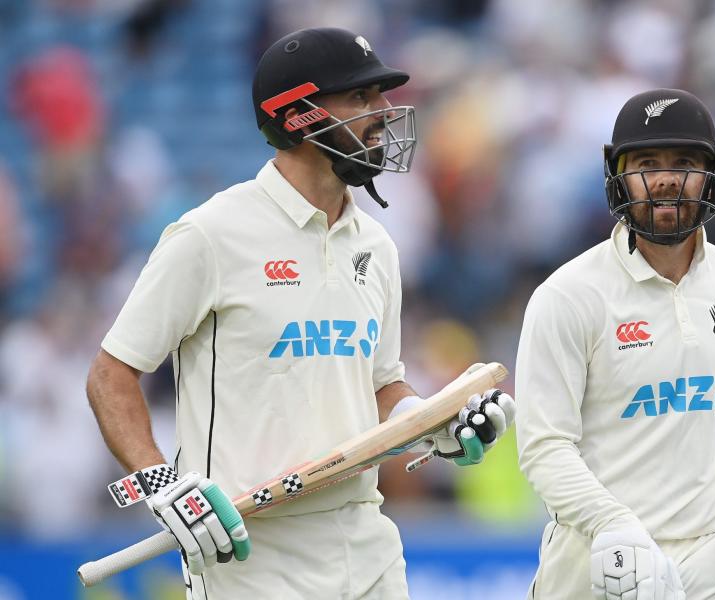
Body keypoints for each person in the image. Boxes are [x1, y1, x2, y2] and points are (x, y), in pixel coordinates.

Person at [86, 27, 514, 600]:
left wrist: (438, 426)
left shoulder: (376, 246)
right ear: (298, 117)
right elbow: (111, 376)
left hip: (367, 543)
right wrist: (163, 486)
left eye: (381, 98)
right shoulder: (211, 235)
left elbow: (381, 385)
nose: (382, 113)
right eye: (360, 98)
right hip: (248, 554)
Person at [514, 89, 715, 600]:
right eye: (647, 163)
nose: (667, 178)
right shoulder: (568, 295)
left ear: (713, 172)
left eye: (685, 162)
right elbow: (544, 446)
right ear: (617, 174)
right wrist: (614, 525)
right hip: (597, 566)